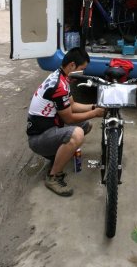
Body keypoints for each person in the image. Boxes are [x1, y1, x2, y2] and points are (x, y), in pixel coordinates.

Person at [26, 47, 104, 197]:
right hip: (38, 139)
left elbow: (72, 106)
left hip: (48, 129)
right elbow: (69, 118)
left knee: (85, 125)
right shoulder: (59, 86)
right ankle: (53, 176)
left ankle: (59, 154)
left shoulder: (61, 76)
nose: (83, 73)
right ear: (72, 66)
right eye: (82, 69)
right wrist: (94, 113)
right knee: (77, 134)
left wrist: (94, 106)